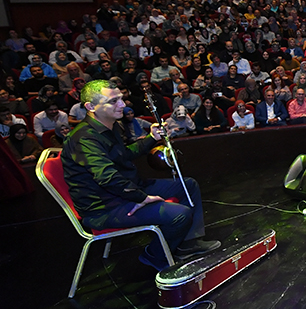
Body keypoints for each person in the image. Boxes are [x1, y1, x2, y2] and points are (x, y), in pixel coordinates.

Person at [61, 80, 218, 271]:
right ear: (91, 107)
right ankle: (154, 256)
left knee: (188, 185)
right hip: (105, 206)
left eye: (121, 99)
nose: (123, 105)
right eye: (113, 101)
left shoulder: (112, 126)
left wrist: (151, 139)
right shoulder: (84, 138)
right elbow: (106, 177)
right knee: (179, 215)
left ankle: (188, 243)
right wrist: (141, 197)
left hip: (125, 190)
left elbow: (124, 155)